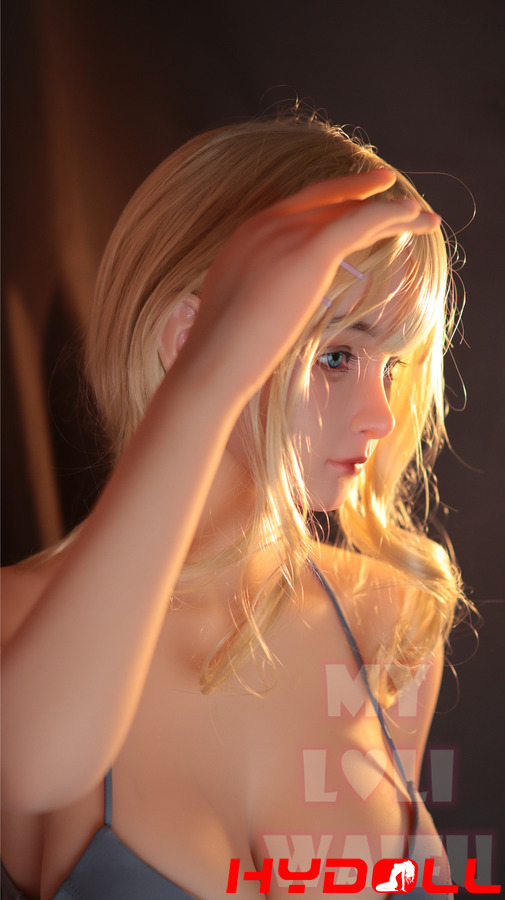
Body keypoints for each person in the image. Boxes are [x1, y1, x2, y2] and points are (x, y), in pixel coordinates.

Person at [1, 113, 468, 899]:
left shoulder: (387, 622)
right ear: (189, 339)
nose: (380, 417)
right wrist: (208, 383)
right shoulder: (17, 622)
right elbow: (29, 769)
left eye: (389, 367)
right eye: (336, 356)